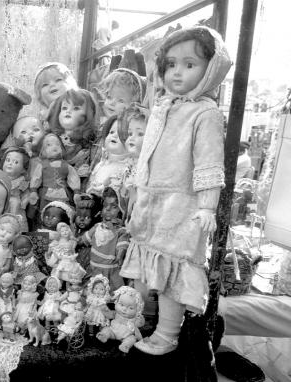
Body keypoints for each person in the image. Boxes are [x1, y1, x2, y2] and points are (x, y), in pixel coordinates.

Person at [120, 26, 232, 355]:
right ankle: (133, 321)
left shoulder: (206, 113)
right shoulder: (163, 106)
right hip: (152, 198)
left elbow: (209, 164)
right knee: (145, 261)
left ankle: (167, 334)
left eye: (189, 64)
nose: (177, 73)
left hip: (183, 205)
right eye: (170, 65)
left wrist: (208, 206)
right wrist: (137, 185)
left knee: (174, 270)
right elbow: (148, 151)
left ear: (212, 69)